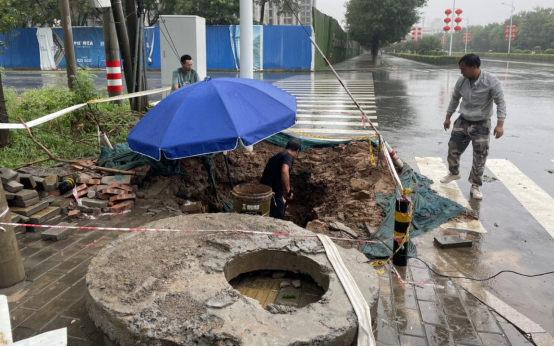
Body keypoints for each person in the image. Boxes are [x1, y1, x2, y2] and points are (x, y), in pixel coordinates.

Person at [442, 53, 507, 200]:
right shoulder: (462, 81)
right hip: (463, 119)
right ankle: (454, 172)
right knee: (453, 148)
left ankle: (475, 185)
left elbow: (501, 103)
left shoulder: (491, 82)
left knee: (480, 156)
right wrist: (448, 117)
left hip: (481, 123)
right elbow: (455, 99)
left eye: (464, 69)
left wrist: (500, 125)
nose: (461, 72)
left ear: (475, 67)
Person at [261, 140, 302, 220]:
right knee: (278, 219)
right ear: (297, 151)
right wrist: (288, 190)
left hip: (266, 192)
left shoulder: (278, 156)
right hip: (273, 194)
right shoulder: (288, 156)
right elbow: (284, 171)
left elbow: (275, 177)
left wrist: (282, 196)